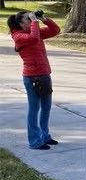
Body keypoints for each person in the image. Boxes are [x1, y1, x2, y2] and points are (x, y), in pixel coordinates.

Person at [8, 11, 61, 150]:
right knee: (34, 108)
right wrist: (35, 22)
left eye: (32, 19)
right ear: (20, 23)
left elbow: (55, 30)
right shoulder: (18, 36)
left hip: (44, 74)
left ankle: (44, 136)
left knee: (46, 106)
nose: (32, 21)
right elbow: (33, 38)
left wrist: (43, 19)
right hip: (32, 77)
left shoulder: (34, 31)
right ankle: (34, 141)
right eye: (28, 19)